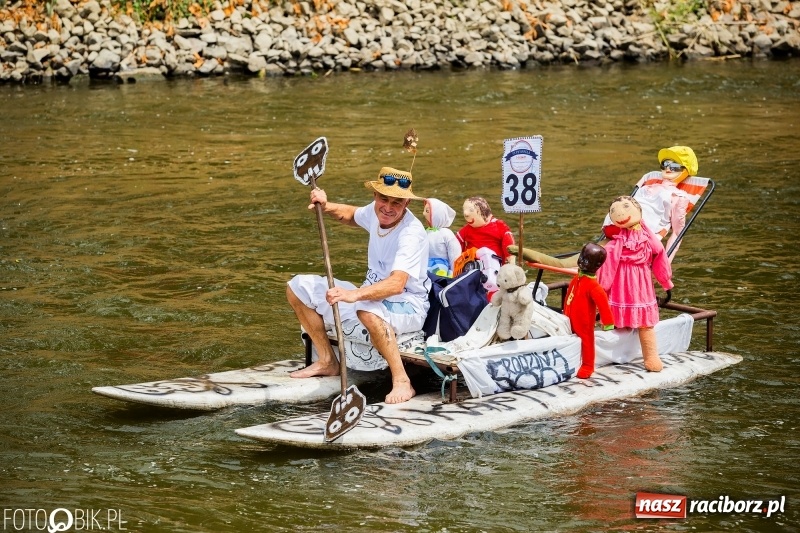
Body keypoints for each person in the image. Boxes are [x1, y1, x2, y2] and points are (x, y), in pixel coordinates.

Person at [286, 167, 430, 404]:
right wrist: (326, 204)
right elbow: (352, 215)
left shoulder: (411, 233)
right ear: (375, 196)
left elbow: (397, 284)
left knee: (367, 309)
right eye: (384, 199)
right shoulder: (375, 213)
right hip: (368, 296)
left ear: (406, 203)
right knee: (297, 287)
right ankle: (327, 361)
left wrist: (354, 294)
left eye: (397, 202)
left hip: (408, 304)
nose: (388, 207)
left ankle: (402, 380)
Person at [509, 145, 700, 267]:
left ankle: (545, 259)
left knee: (585, 260)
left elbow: (677, 233)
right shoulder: (648, 184)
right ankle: (549, 259)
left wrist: (664, 262)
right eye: (666, 163)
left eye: (675, 166)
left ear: (686, 171)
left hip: (638, 241)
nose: (668, 168)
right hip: (616, 231)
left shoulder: (679, 197)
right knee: (588, 254)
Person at [597, 196, 673, 373]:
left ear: (638, 211)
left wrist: (665, 280)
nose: (620, 213)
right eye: (614, 211)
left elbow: (660, 255)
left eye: (625, 207)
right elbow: (607, 266)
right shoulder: (615, 243)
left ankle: (651, 356)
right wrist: (602, 288)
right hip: (620, 283)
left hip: (640, 282)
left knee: (645, 324)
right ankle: (614, 353)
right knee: (617, 320)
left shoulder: (648, 238)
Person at [563, 243, 614, 379]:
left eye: (586, 260)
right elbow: (569, 295)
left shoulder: (593, 286)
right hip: (569, 318)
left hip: (584, 321)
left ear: (597, 265)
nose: (581, 262)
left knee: (587, 341)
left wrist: (608, 322)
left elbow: (603, 304)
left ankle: (588, 365)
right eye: (582, 257)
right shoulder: (576, 279)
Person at [456, 196, 515, 265]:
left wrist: (510, 259)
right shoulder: (467, 229)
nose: (465, 214)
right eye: (464, 210)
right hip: (472, 265)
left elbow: (508, 242)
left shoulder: (498, 225)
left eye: (471, 210)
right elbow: (455, 244)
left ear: (483, 211)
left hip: (495, 264)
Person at [423, 198, 461, 277]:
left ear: (436, 215)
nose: (424, 214)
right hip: (425, 266)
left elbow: (454, 254)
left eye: (427, 211)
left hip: (442, 269)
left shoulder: (446, 233)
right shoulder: (425, 232)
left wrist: (454, 272)